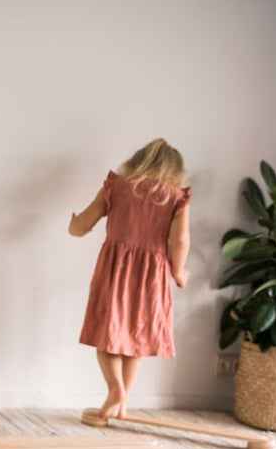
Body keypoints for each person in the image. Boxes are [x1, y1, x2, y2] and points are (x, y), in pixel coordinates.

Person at [69, 138, 191, 419]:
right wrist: (178, 272)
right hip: (153, 275)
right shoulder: (175, 197)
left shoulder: (117, 186)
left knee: (106, 333)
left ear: (137, 161)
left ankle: (115, 390)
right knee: (137, 337)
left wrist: (73, 225)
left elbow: (85, 222)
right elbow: (180, 239)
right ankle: (123, 400)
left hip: (115, 269)